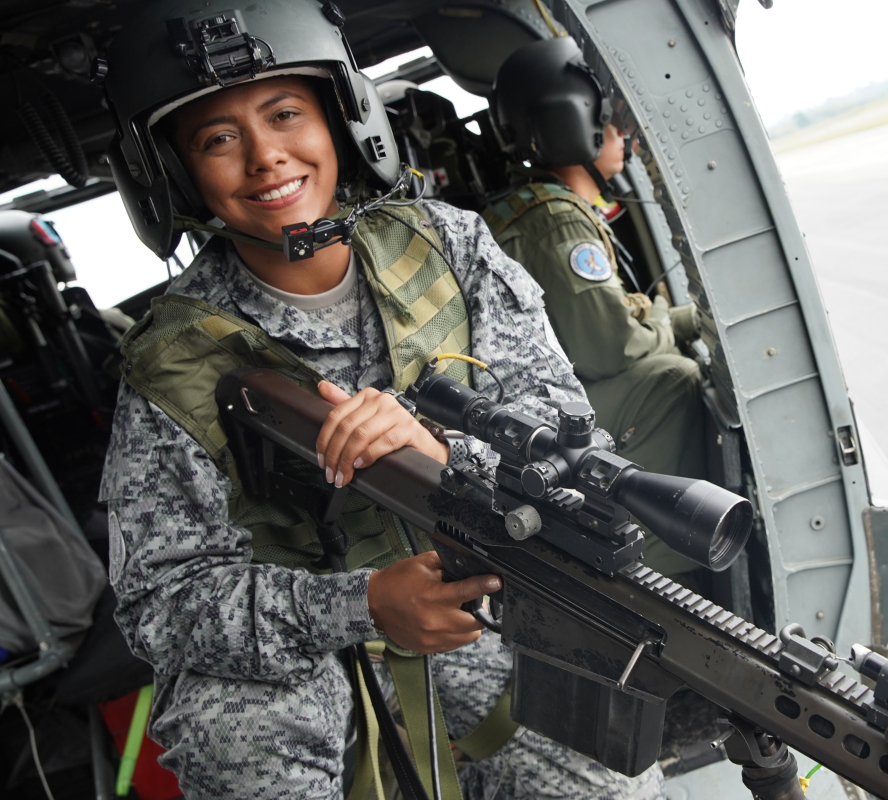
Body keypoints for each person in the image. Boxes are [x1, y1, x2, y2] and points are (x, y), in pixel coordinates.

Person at [97, 3, 662, 799]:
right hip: (287, 646)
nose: (266, 158)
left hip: (473, 591)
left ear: (343, 119)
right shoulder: (173, 358)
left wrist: (446, 456)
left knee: (612, 773)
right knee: (238, 748)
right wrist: (360, 606)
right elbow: (162, 603)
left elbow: (573, 447)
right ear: (172, 173)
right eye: (218, 139)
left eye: (286, 114)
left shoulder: (448, 246)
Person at [483, 40, 707, 578]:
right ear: (575, 125)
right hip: (533, 419)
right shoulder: (556, 219)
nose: (626, 137)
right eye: (612, 122)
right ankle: (654, 566)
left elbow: (605, 321)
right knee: (673, 378)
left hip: (519, 406)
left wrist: (680, 319)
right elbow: (611, 347)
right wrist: (658, 322)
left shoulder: (540, 207)